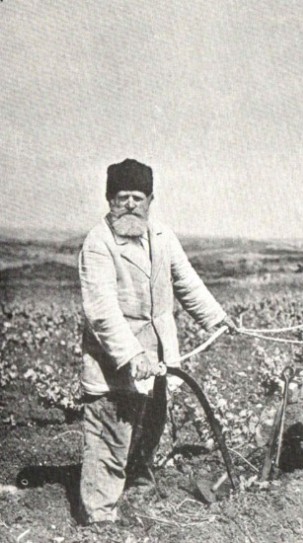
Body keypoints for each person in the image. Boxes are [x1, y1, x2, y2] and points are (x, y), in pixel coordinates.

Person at [78, 158, 235, 524]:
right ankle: (100, 519)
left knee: (149, 427)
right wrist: (132, 354)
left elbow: (187, 283)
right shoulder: (98, 244)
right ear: (108, 200)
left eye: (137, 196)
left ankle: (136, 493)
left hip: (159, 358)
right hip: (113, 363)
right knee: (110, 438)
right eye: (121, 197)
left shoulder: (162, 236)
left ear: (150, 199)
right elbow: (101, 311)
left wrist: (218, 317)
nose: (130, 204)